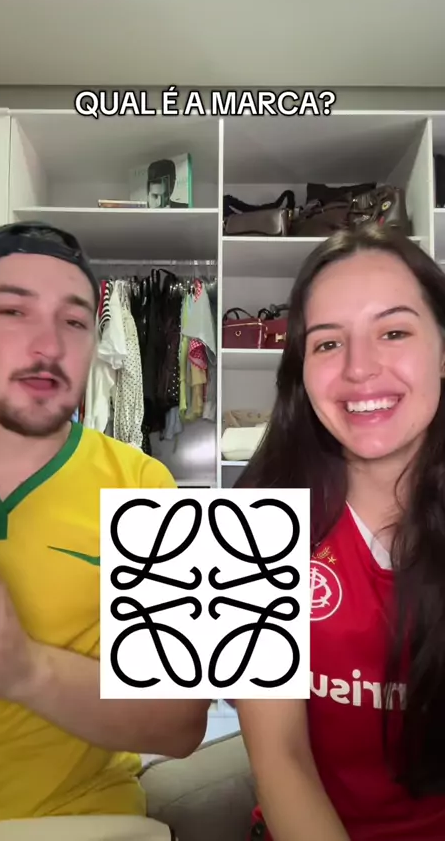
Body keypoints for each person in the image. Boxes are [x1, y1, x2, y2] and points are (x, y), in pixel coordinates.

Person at [0, 221, 210, 826]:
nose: (48, 344)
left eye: (75, 320)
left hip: (82, 820)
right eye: (12, 311)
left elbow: (182, 725)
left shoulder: (148, 484)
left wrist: (24, 669)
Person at [235, 224, 445, 841]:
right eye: (327, 343)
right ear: (300, 370)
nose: (359, 369)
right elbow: (280, 759)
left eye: (394, 332)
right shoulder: (248, 522)